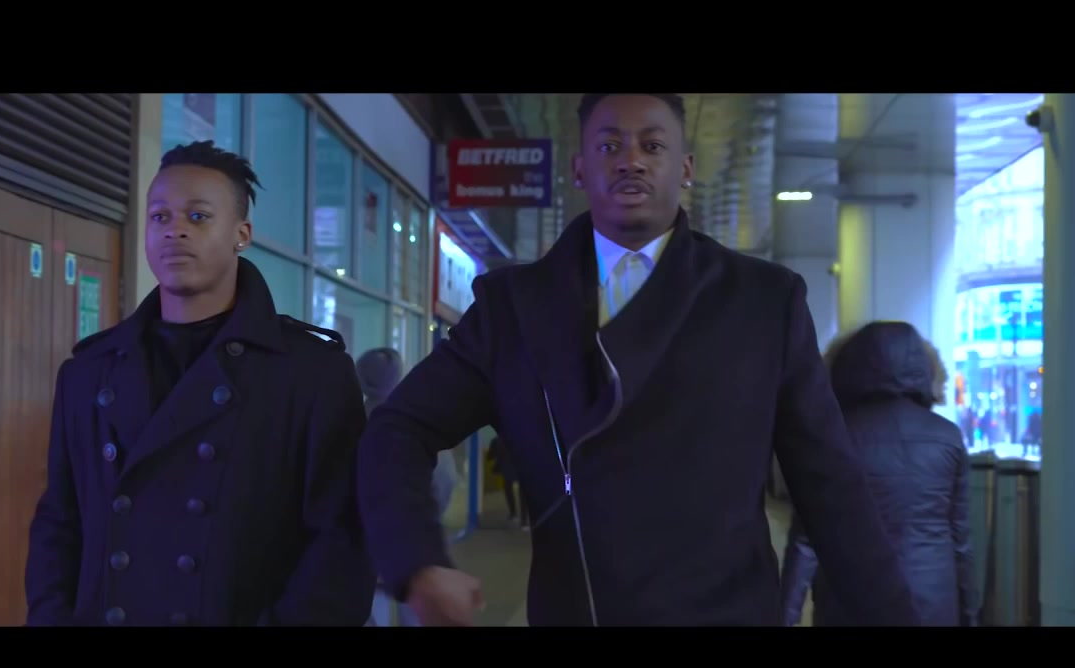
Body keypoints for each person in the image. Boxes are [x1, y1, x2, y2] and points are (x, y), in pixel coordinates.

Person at [356, 93, 919, 627]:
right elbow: (399, 428)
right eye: (609, 146)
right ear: (579, 170)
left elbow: (831, 485)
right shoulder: (514, 309)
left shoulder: (763, 301)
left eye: (652, 145)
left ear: (686, 167)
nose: (631, 160)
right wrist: (417, 561)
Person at [24, 140, 376, 626]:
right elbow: (58, 523)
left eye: (198, 216)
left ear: (241, 234)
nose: (176, 230)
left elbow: (341, 541)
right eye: (160, 217)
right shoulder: (88, 372)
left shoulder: (309, 373)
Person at [780, 322, 979, 627]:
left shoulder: (833, 436)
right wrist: (969, 615)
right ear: (924, 370)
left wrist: (784, 615)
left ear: (848, 368)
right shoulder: (948, 437)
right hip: (933, 602)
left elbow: (806, 541)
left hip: (852, 602)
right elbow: (961, 542)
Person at [356, 347, 459, 627]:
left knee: (368, 610)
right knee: (417, 612)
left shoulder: (348, 424)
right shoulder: (415, 423)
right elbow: (447, 479)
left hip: (363, 550)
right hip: (415, 546)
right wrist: (426, 516)